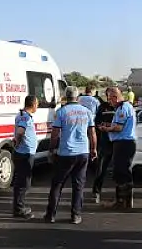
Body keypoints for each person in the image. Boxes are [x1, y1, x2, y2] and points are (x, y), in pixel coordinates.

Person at [44, 86, 97, 224]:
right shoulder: (87, 111)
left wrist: (51, 149)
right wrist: (93, 149)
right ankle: (76, 215)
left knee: (57, 184)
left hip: (66, 153)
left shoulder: (61, 112)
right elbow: (92, 133)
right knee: (78, 186)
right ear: (77, 97)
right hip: (83, 152)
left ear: (65, 97)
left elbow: (55, 134)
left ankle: (50, 215)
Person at [101, 87, 137, 210]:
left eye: (109, 99)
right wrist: (110, 125)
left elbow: (119, 128)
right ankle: (123, 200)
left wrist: (106, 129)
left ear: (115, 97)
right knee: (121, 171)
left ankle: (123, 201)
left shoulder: (123, 108)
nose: (109, 102)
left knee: (121, 172)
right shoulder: (125, 107)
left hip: (123, 143)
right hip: (125, 143)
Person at [12, 95, 39, 219]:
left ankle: (18, 207)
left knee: (21, 182)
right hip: (25, 154)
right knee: (24, 183)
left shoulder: (22, 114)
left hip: (23, 153)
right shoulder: (25, 117)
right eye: (37, 104)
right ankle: (19, 209)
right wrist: (17, 142)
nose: (37, 106)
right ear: (33, 104)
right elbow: (20, 131)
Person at [92, 88, 116, 204]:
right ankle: (96, 191)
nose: (110, 99)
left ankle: (119, 195)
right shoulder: (102, 107)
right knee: (101, 167)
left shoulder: (121, 108)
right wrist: (101, 127)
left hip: (118, 142)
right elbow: (96, 122)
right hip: (105, 141)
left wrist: (112, 127)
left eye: (113, 96)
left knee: (119, 169)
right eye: (108, 96)